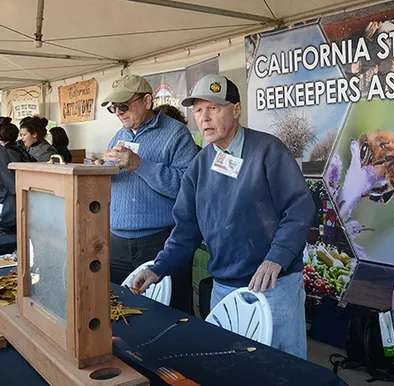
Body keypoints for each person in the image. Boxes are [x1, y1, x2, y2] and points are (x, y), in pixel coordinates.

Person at [131, 74, 314, 359]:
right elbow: (186, 229)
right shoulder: (200, 165)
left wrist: (276, 257)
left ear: (236, 110)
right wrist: (159, 267)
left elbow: (299, 209)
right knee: (231, 366)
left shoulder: (268, 151)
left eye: (214, 108)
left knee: (282, 368)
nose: (204, 118)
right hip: (224, 288)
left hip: (273, 286)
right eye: (199, 110)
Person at [101, 74, 198, 314]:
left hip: (159, 242)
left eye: (124, 105)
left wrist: (139, 165)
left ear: (146, 101)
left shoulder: (176, 134)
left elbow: (186, 188)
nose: (118, 112)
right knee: (118, 310)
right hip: (117, 243)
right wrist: (101, 169)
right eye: (114, 107)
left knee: (169, 314)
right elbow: (109, 179)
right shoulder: (120, 135)